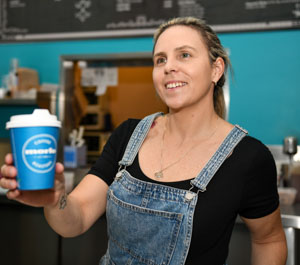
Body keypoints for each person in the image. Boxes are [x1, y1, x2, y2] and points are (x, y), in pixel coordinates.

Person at [0, 17, 287, 265]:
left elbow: (269, 239)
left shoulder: (248, 158)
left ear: (216, 69)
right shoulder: (128, 136)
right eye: (160, 59)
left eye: (184, 55)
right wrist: (54, 200)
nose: (168, 67)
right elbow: (75, 220)